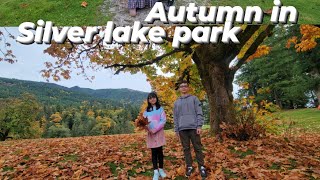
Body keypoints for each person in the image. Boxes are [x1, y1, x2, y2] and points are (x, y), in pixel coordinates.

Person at [173, 81, 207, 178]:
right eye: (181, 86)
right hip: (182, 129)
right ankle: (189, 166)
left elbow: (199, 112)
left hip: (193, 128)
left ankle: (201, 167)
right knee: (186, 149)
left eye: (185, 86)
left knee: (198, 148)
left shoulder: (194, 99)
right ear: (179, 89)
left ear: (188, 88)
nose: (183, 88)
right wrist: (176, 130)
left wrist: (199, 126)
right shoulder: (176, 102)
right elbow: (175, 117)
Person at [143, 92, 167, 180]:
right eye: (150, 98)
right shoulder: (146, 111)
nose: (152, 99)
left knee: (160, 152)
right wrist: (149, 130)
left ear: (156, 98)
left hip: (159, 132)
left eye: (153, 97)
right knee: (153, 152)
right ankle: (155, 171)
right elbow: (143, 123)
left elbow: (163, 120)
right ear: (148, 100)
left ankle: (161, 169)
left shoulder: (160, 109)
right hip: (151, 134)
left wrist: (155, 129)